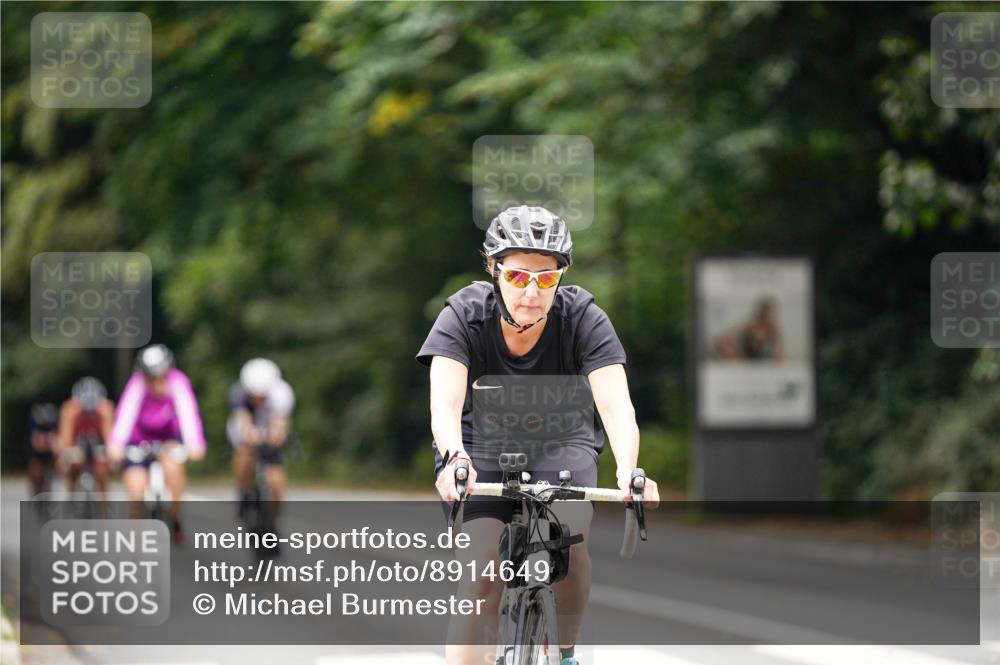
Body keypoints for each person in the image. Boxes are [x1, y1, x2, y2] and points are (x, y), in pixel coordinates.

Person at [417, 205, 660, 665]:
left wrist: (630, 470)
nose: (531, 291)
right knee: (481, 570)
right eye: (517, 276)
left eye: (546, 279)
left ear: (561, 277)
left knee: (571, 531)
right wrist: (454, 459)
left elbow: (615, 405)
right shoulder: (463, 315)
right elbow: (444, 406)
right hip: (480, 448)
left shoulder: (584, 317)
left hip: (562, 443)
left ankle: (565, 649)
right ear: (493, 270)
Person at [108, 344, 206, 543]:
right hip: (138, 441)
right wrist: (115, 444)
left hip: (168, 440)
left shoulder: (178, 383)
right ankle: (135, 542)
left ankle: (175, 517)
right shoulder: (137, 385)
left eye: (160, 376)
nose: (155, 382)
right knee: (136, 490)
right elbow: (125, 416)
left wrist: (195, 443)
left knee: (173, 469)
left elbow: (188, 414)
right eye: (150, 377)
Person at [227, 358, 295, 522]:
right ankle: (244, 491)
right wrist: (249, 434)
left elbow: (280, 421)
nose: (258, 400)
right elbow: (242, 420)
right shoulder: (238, 392)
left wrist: (276, 435)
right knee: (244, 451)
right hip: (247, 425)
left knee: (276, 476)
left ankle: (274, 516)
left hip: (269, 425)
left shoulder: (282, 393)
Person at [56, 377, 114, 497]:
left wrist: (110, 455)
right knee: (72, 465)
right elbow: (65, 438)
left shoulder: (106, 409)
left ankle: (104, 508)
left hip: (98, 445)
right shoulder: (70, 409)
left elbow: (109, 439)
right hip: (77, 445)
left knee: (102, 471)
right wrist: (66, 453)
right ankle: (71, 495)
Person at [27, 402, 59, 497]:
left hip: (49, 455)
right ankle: (36, 496)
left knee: (48, 480)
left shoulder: (52, 427)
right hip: (36, 454)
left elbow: (55, 445)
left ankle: (46, 497)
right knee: (36, 476)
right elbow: (37, 445)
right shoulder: (35, 428)